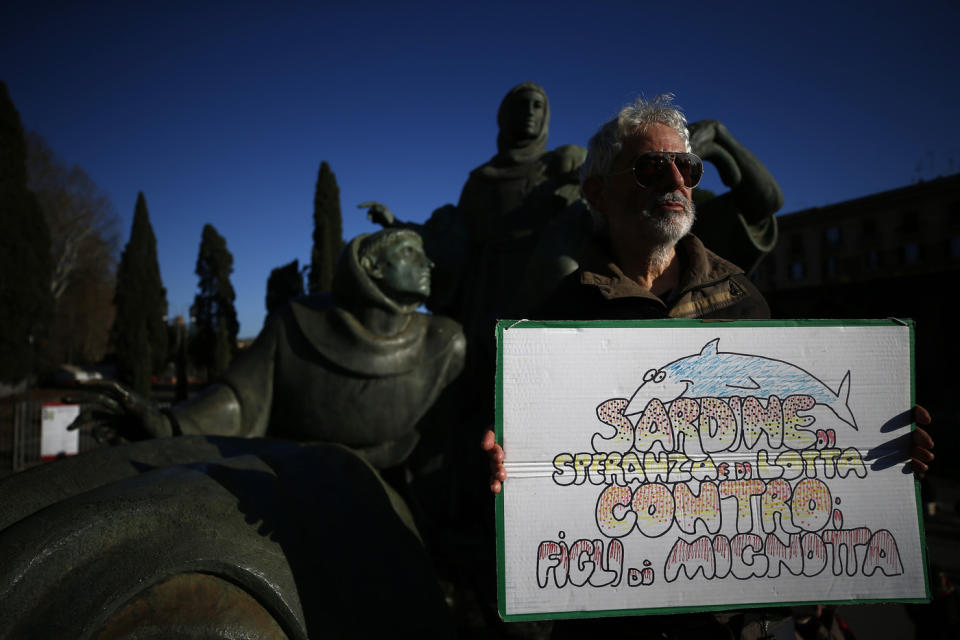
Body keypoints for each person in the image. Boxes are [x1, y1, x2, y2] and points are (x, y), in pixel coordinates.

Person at [483, 94, 934, 488]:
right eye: (650, 168)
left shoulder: (742, 300)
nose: (677, 182)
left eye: (687, 167)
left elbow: (791, 426)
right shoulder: (557, 317)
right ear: (598, 192)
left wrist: (880, 442)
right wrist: (507, 458)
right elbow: (543, 450)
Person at [73, 228, 466, 470]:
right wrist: (167, 424)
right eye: (409, 252)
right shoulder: (297, 323)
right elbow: (242, 402)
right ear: (372, 267)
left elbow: (452, 438)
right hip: (297, 480)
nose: (427, 262)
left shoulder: (445, 343)